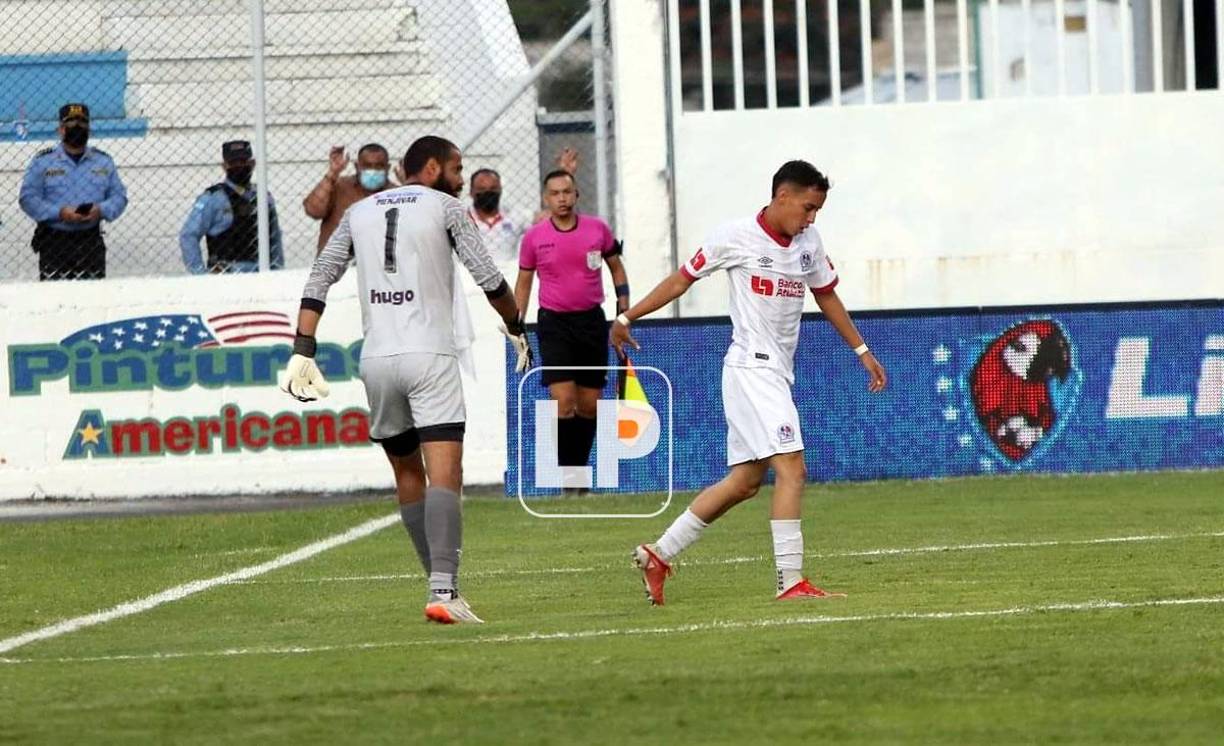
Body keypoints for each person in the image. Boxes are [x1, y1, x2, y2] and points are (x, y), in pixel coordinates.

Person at [610, 160, 888, 605]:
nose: (812, 219)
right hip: (750, 369)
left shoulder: (808, 243)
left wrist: (862, 351)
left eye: (817, 211)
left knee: (744, 483)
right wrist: (627, 316)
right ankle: (790, 581)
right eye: (808, 208)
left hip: (774, 372)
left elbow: (826, 293)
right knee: (793, 468)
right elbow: (682, 279)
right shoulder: (734, 236)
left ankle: (658, 555)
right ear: (782, 197)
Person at [279, 135, 530, 625]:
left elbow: (319, 276)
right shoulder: (445, 208)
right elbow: (489, 278)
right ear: (433, 167)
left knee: (407, 474)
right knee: (446, 475)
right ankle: (444, 589)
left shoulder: (360, 211)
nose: (461, 179)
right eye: (457, 169)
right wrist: (517, 326)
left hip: (376, 361)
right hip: (430, 355)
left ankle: (439, 584)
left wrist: (302, 350)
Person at [515, 168, 629, 491]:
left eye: (567, 192)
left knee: (589, 405)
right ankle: (572, 479)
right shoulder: (534, 237)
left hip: (592, 322)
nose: (562, 199)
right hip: (554, 324)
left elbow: (617, 268)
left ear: (576, 195)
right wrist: (517, 326)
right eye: (555, 193)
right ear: (545, 198)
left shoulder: (598, 230)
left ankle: (577, 473)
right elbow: (523, 283)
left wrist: (624, 311)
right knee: (563, 401)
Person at [18, 103, 127, 281]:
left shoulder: (103, 161)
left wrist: (101, 209)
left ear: (89, 129)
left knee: (94, 301)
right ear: (61, 129)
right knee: (54, 301)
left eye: (83, 123)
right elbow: (27, 198)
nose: (77, 127)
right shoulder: (42, 161)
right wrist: (59, 213)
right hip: (54, 243)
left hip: (90, 243)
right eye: (71, 123)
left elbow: (119, 197)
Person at [179, 140, 284, 274]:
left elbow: (275, 238)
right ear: (225, 166)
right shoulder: (213, 198)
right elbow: (188, 235)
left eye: (243, 161)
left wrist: (278, 272)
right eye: (234, 163)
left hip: (262, 273)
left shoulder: (264, 197)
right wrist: (200, 275)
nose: (239, 166)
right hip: (226, 277)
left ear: (252, 163)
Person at [468, 147, 578, 264]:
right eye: (482, 189)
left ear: (500, 190)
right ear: (471, 192)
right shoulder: (460, 218)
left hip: (508, 277)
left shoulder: (513, 216)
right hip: (468, 278)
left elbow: (550, 217)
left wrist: (567, 173)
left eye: (493, 189)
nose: (487, 193)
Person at [302, 143, 392, 252]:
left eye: (378, 166)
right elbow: (313, 211)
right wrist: (332, 173)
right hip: (336, 263)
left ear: (387, 168)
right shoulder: (338, 186)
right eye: (367, 166)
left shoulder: (397, 194)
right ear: (357, 166)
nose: (372, 171)